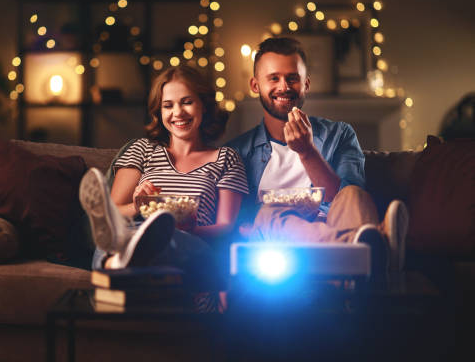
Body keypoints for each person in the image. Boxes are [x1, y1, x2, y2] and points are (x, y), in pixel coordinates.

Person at [225, 37, 409, 276]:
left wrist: (307, 152)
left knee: (353, 194)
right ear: (255, 85)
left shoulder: (339, 134)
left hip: (332, 224)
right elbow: (239, 223)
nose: (284, 87)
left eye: (292, 78)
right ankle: (375, 250)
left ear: (306, 84)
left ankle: (357, 255)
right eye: (273, 78)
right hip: (275, 251)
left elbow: (345, 199)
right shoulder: (237, 152)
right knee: (268, 212)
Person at [79, 66, 248, 280]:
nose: (178, 113)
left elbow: (225, 226)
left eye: (187, 102)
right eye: (168, 105)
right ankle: (119, 258)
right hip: (136, 230)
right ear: (159, 112)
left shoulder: (226, 158)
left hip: (190, 238)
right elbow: (113, 211)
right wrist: (138, 205)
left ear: (204, 105)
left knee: (168, 240)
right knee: (122, 237)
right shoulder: (142, 149)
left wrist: (192, 228)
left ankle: (121, 261)